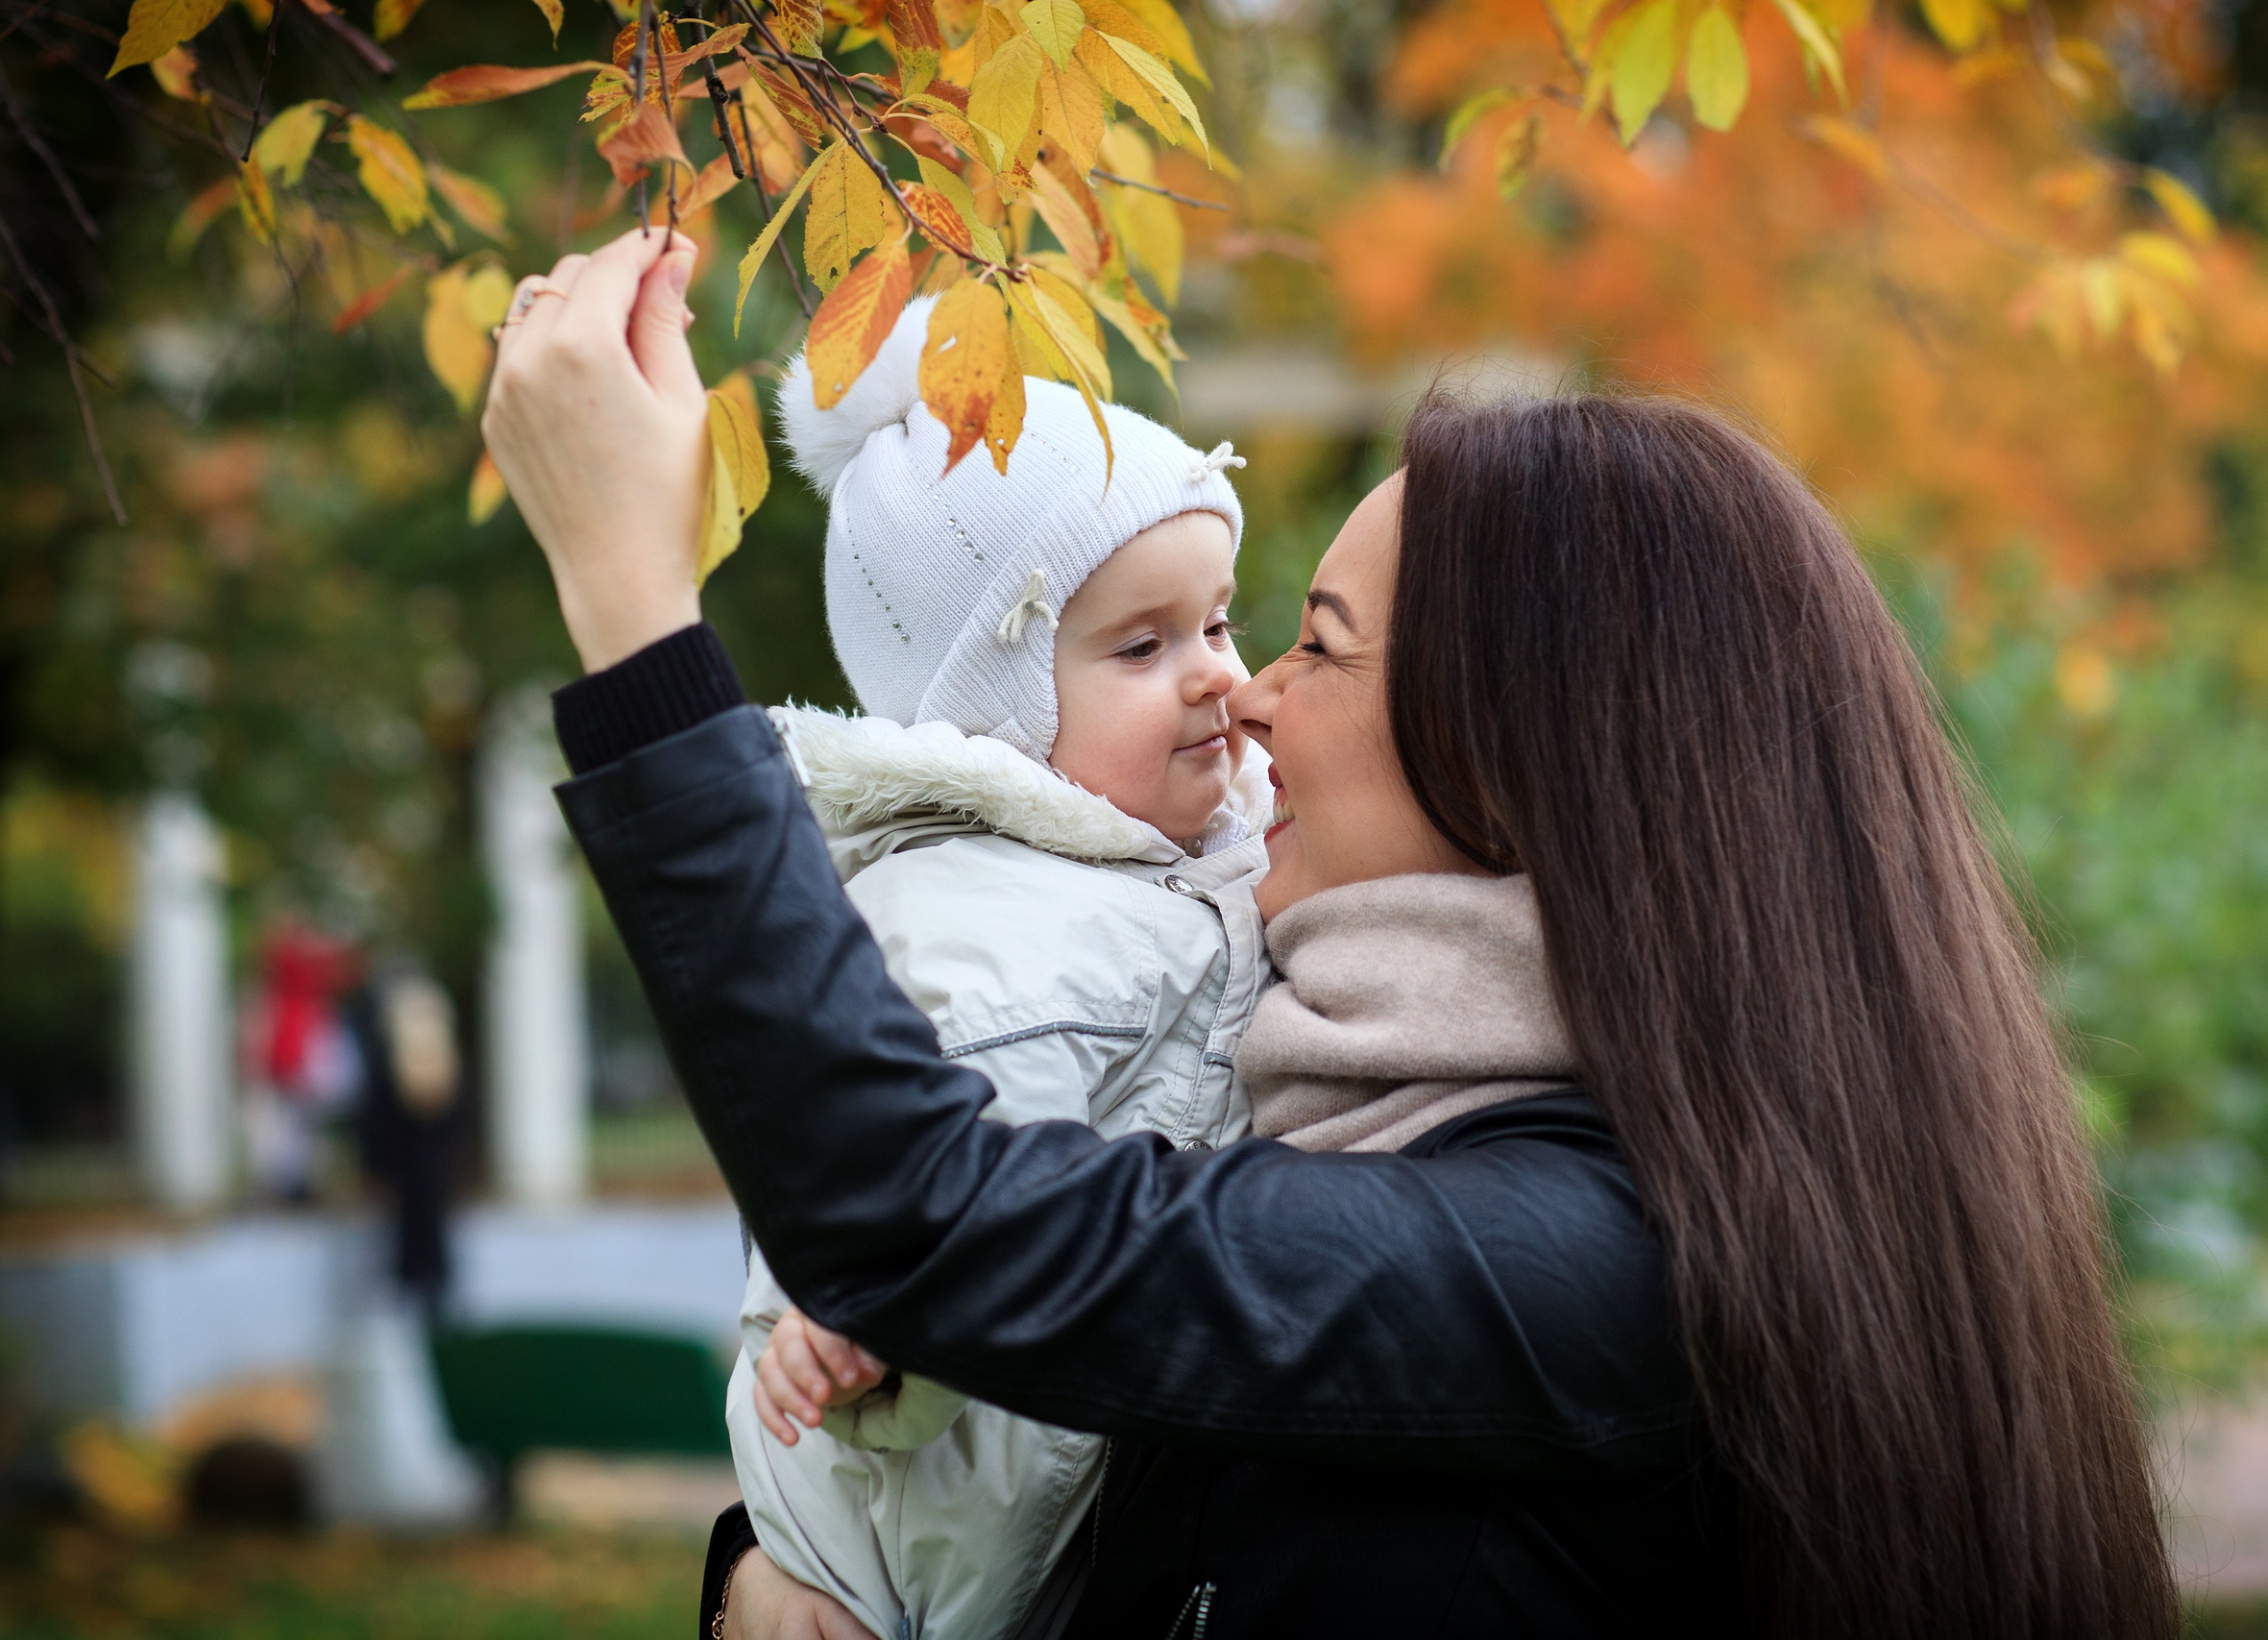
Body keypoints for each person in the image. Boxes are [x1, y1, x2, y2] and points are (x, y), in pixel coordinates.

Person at [483, 229, 2181, 1638]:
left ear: (1517, 765)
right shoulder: (1305, 1106)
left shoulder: (1583, 1264)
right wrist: (775, 1575)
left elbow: (916, 1213)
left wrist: (633, 610)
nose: (1251, 698)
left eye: (1316, 643)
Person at [727, 293, 1271, 1640]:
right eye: (1142, 646)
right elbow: (892, 1160)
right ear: (997, 712)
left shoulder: (1193, 853)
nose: (1216, 674)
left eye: (1218, 622)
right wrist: (869, 1317)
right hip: (916, 1521)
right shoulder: (972, 913)